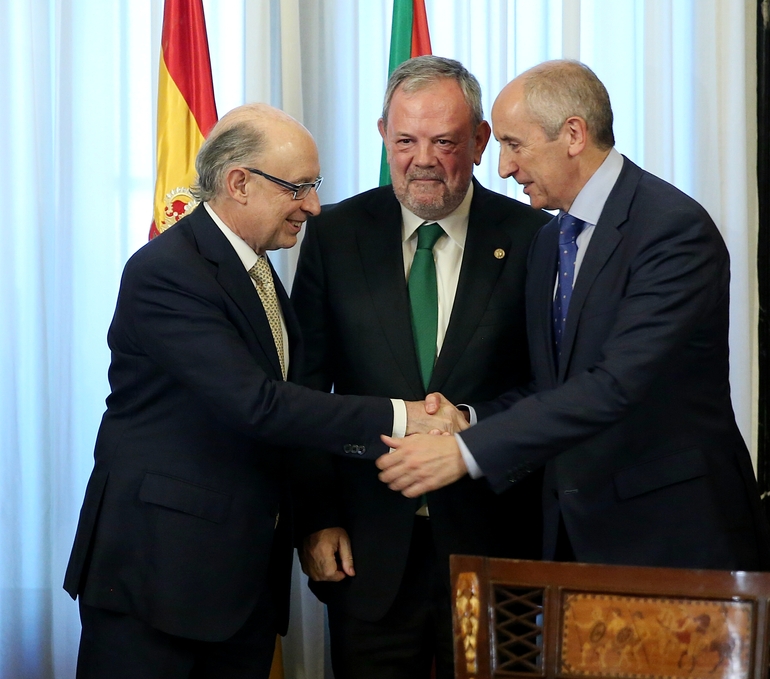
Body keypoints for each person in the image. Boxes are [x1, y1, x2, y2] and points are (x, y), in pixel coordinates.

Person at [63, 103, 462, 679]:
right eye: (298, 188)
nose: (314, 206)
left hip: (236, 583)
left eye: (314, 186)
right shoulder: (169, 271)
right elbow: (259, 404)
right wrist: (407, 419)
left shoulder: (255, 266)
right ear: (238, 183)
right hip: (159, 577)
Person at [378, 59, 770, 571]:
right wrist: (468, 420)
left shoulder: (671, 231)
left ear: (573, 135)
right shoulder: (551, 238)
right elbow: (555, 385)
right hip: (574, 535)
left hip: (671, 536)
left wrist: (468, 451)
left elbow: (616, 385)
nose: (502, 168)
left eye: (514, 145)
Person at [290, 56, 549, 679]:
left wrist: (472, 422)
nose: (423, 159)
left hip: (496, 546)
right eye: (405, 141)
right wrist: (316, 518)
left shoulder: (535, 237)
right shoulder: (335, 235)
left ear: (481, 140)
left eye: (444, 141)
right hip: (367, 550)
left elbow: (554, 386)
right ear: (383, 133)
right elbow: (303, 388)